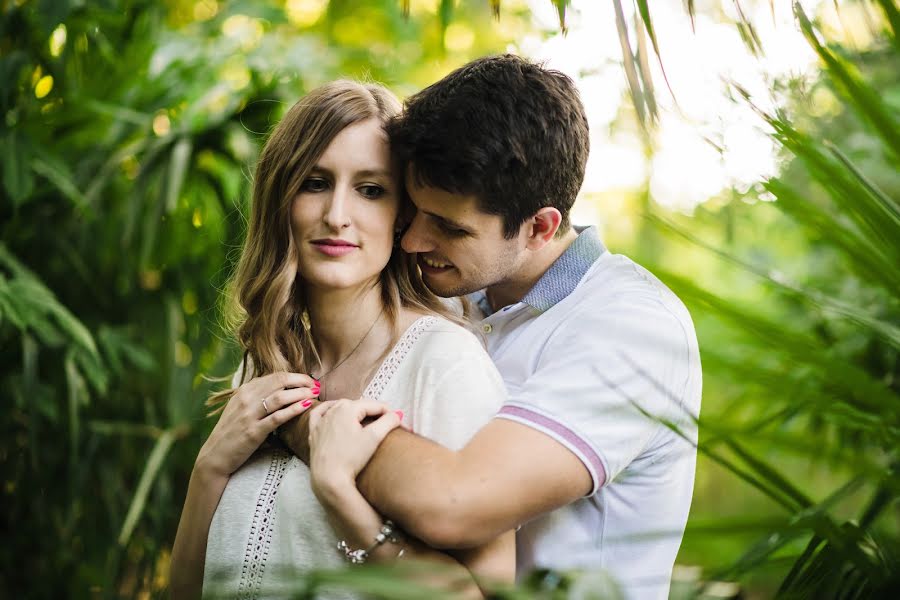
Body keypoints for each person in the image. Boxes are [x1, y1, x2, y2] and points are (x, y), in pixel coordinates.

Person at [283, 55, 703, 600]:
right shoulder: (449, 300)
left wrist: (302, 419)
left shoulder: (632, 328)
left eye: (449, 228)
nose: (411, 243)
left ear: (539, 228)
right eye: (414, 211)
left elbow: (456, 503)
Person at [169, 80, 514, 600]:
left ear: (403, 216)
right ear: (280, 197)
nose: (337, 215)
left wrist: (341, 496)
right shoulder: (266, 362)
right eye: (315, 182)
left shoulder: (443, 362)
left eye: (370, 189)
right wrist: (209, 469)